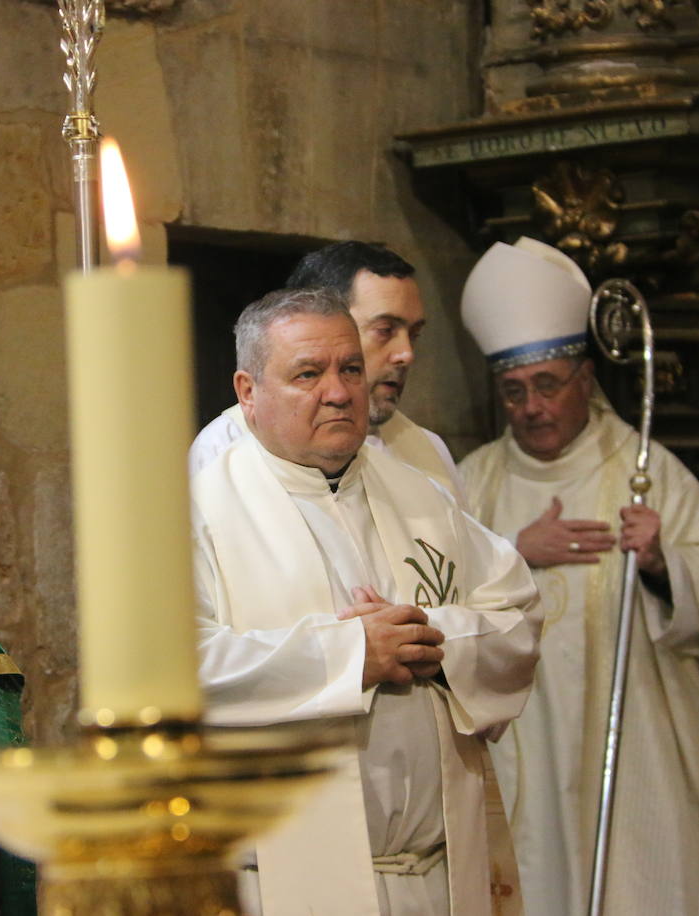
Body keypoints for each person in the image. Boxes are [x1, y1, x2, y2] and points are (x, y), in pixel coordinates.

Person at [456, 238, 699, 914]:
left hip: (631, 740)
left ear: (585, 380)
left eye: (548, 386)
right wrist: (513, 550)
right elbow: (433, 603)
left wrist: (667, 562)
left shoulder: (643, 468)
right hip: (520, 748)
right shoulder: (474, 483)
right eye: (514, 391)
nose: (532, 407)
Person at [191, 287, 541, 915]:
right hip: (283, 885)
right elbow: (172, 669)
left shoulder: (422, 497)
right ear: (248, 391)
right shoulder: (199, 511)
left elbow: (516, 611)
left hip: (438, 877)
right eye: (308, 373)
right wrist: (353, 654)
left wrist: (434, 638)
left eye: (350, 368)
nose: (338, 391)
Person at [189, 240, 464, 498]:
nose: (407, 354)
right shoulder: (223, 446)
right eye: (385, 330)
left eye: (413, 334)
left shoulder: (428, 449)